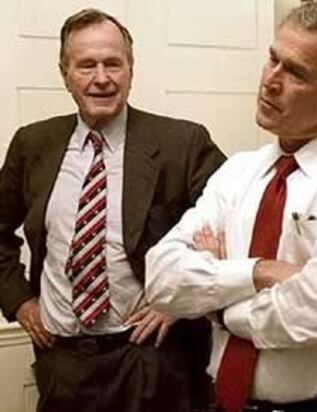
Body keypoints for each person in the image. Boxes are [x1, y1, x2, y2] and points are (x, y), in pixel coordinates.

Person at [145, 1, 317, 412]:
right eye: (274, 59)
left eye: (296, 73)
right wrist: (259, 272)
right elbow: (162, 281)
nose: (271, 80)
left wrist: (216, 307)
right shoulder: (238, 172)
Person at [0, 8, 225, 412]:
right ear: (65, 73)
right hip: (63, 363)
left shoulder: (182, 143)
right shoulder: (33, 144)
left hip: (152, 360)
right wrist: (18, 300)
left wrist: (179, 299)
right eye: (86, 65)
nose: (101, 78)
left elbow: (231, 223)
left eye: (112, 64)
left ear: (131, 70)